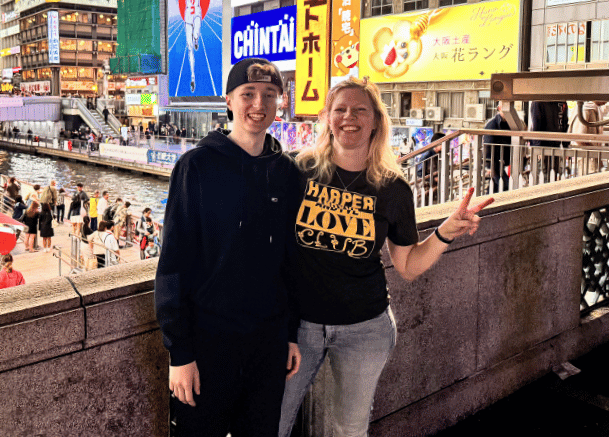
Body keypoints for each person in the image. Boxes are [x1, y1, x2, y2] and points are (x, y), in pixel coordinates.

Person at [278, 77, 493, 437]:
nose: (350, 117)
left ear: (376, 120)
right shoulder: (298, 171)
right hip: (298, 327)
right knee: (272, 422)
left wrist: (444, 233)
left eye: (360, 110)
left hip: (365, 328)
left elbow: (407, 265)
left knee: (349, 430)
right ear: (327, 118)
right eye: (340, 109)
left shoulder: (392, 187)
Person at [155, 58, 302, 437]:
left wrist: (291, 334)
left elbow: (291, 262)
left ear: (280, 102)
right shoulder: (196, 166)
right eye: (248, 94)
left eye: (269, 95)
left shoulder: (287, 172)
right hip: (208, 344)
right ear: (229, 100)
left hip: (268, 345)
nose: (259, 105)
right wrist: (180, 353)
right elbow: (173, 264)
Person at [529, 100, 569, 180]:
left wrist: (537, 146)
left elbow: (536, 124)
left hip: (543, 146)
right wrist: (565, 145)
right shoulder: (562, 101)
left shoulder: (538, 101)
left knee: (542, 176)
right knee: (552, 175)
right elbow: (564, 125)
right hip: (555, 145)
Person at [484, 103, 512, 192]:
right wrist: (489, 165)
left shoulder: (508, 124)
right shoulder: (492, 125)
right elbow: (487, 146)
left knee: (497, 186)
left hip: (501, 161)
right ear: (499, 109)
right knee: (504, 185)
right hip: (495, 162)